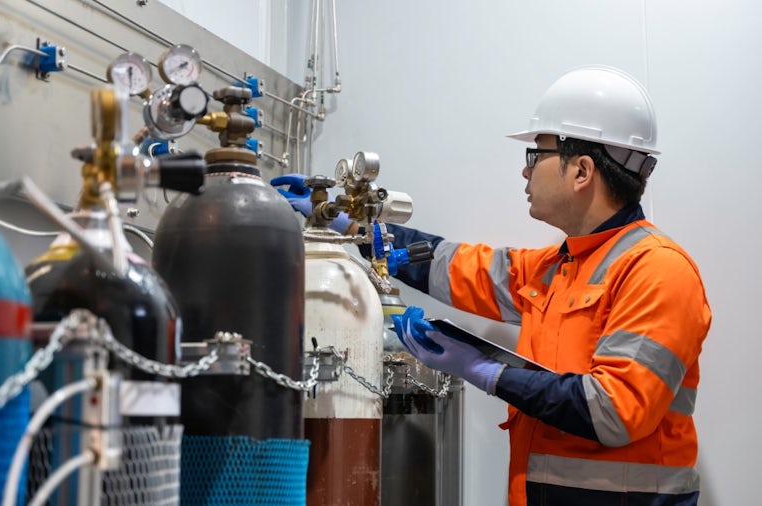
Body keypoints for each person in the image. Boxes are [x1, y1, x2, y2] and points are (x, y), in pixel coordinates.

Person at [273, 65, 711, 506]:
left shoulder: (657, 270)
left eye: (535, 156)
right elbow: (455, 266)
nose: (526, 173)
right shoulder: (561, 267)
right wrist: (351, 223)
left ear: (581, 171)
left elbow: (612, 411)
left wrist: (487, 371)